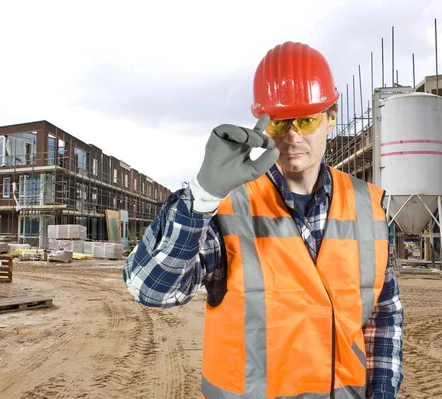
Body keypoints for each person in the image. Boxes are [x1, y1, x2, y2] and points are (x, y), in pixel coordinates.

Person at [123, 41, 403, 399]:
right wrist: (201, 196)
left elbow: (383, 318)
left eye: (306, 120)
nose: (293, 137)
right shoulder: (228, 207)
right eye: (280, 123)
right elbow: (151, 290)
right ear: (262, 123)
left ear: (331, 117)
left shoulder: (368, 205)